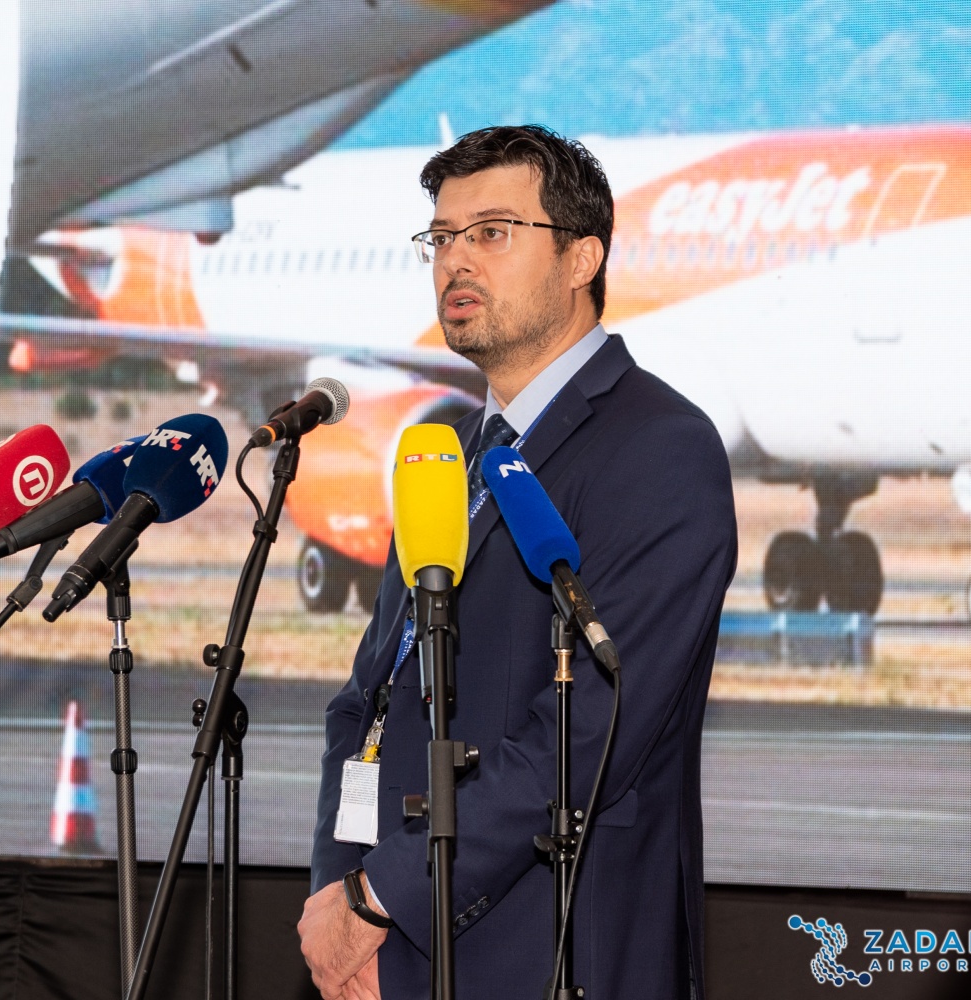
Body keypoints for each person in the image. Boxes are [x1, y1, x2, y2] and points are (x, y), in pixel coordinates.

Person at [297, 125, 738, 1000]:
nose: (455, 260)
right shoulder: (447, 452)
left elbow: (584, 737)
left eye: (491, 233)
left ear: (582, 258)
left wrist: (380, 897)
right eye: (441, 237)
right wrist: (337, 899)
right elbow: (367, 703)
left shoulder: (661, 447)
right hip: (390, 951)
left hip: (554, 952)